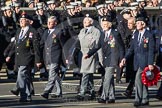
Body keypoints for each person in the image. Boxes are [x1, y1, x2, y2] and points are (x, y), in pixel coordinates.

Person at [84, 16, 125, 103]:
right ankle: (111, 97)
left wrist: (122, 59)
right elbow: (97, 45)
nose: (104, 26)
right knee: (109, 78)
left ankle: (104, 96)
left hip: (114, 59)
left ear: (110, 24)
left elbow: (121, 47)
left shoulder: (115, 33)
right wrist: (89, 53)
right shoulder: (102, 34)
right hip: (106, 59)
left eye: (106, 24)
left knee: (107, 78)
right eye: (103, 24)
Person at [120, 17, 155, 107]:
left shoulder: (149, 35)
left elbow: (151, 50)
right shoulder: (135, 34)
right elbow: (131, 49)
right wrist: (125, 58)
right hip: (137, 61)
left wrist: (150, 63)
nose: (136, 24)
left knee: (139, 80)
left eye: (138, 23)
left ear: (143, 24)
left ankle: (138, 99)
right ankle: (144, 98)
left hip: (146, 62)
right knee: (143, 81)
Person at [10, 12, 41, 102]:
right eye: (20, 20)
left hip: (28, 57)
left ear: (28, 21)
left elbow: (36, 47)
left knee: (21, 74)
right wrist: (10, 55)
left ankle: (19, 91)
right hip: (19, 58)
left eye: (23, 20)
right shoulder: (19, 31)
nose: (21, 22)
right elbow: (15, 45)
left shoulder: (32, 31)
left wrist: (38, 60)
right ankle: (28, 95)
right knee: (25, 77)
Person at [76, 15, 101, 100]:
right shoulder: (82, 31)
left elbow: (97, 44)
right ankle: (92, 91)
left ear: (91, 22)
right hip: (82, 53)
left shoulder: (96, 31)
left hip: (90, 53)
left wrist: (94, 54)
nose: (84, 23)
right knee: (89, 74)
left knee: (85, 73)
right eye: (84, 21)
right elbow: (78, 41)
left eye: (86, 21)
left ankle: (82, 92)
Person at [40, 16, 65, 99]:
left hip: (55, 57)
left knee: (51, 74)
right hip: (47, 57)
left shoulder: (59, 32)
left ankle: (47, 91)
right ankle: (59, 92)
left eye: (51, 22)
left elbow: (63, 46)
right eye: (48, 22)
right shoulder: (46, 32)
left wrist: (65, 58)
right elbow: (42, 44)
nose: (49, 24)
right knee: (55, 75)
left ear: (55, 23)